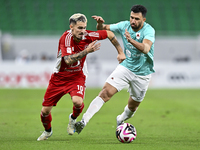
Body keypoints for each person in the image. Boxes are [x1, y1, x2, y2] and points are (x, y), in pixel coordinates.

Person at [37, 13, 126, 141]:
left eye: (84, 27)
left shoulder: (88, 35)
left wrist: (120, 52)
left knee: (78, 102)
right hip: (59, 78)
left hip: (77, 76)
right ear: (71, 27)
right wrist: (86, 51)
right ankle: (47, 131)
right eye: (79, 28)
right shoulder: (65, 38)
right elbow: (68, 60)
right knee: (45, 111)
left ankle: (73, 119)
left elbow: (109, 34)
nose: (83, 31)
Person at [75, 5, 155, 134]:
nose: (133, 21)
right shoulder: (124, 25)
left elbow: (146, 48)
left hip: (143, 74)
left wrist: (131, 40)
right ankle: (84, 121)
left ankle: (121, 118)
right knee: (105, 92)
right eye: (131, 17)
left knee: (132, 107)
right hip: (126, 67)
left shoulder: (149, 31)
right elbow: (103, 30)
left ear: (143, 20)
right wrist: (100, 24)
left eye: (136, 19)